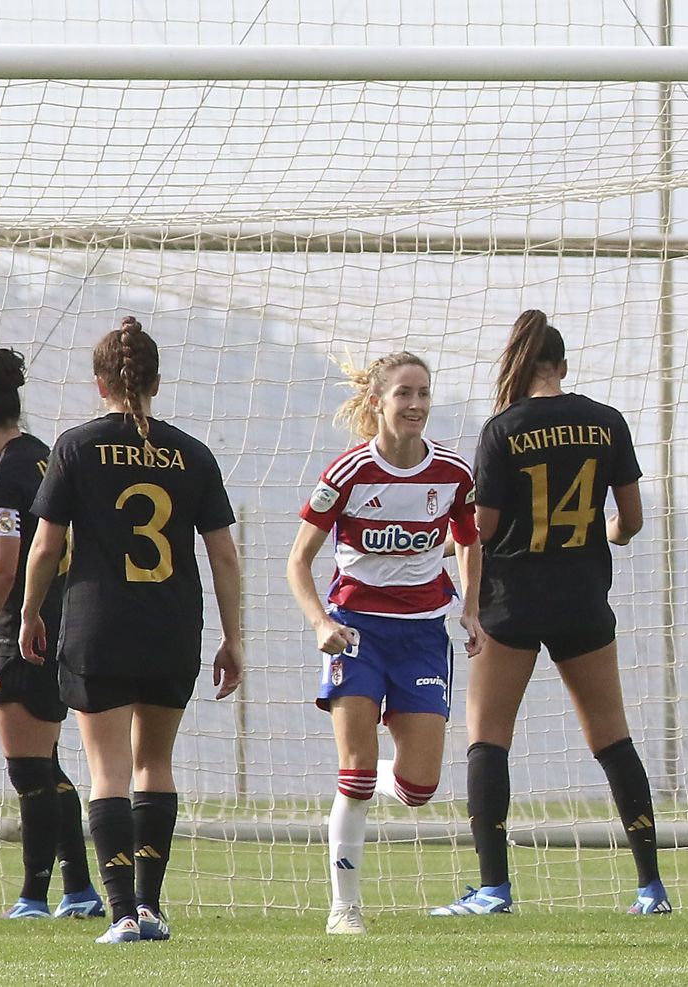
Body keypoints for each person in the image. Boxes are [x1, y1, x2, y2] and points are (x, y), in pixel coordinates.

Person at [431, 310, 667, 917]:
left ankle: (494, 889)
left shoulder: (502, 429)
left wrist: (469, 600)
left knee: (487, 738)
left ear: (520, 366)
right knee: (612, 737)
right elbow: (631, 520)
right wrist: (609, 531)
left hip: (513, 602)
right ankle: (651, 887)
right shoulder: (606, 422)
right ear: (561, 367)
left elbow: (478, 529)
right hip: (583, 599)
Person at [19, 317, 244, 944]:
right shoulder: (192, 452)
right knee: (156, 763)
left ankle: (119, 913)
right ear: (156, 382)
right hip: (173, 625)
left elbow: (44, 547)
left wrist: (33, 610)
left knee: (107, 770)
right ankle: (151, 907)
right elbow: (224, 554)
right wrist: (234, 636)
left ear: (100, 385)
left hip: (99, 625)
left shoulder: (75, 447)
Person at [287, 350, 481, 936]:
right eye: (404, 394)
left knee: (420, 789)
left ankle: (380, 770)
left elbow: (470, 539)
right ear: (378, 402)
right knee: (355, 775)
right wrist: (322, 623)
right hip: (357, 633)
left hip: (423, 636)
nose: (416, 404)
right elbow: (298, 561)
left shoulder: (453, 473)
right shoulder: (346, 473)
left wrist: (469, 609)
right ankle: (344, 909)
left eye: (423, 393)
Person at [0, 344, 102, 920]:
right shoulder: (45, 457)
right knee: (49, 764)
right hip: (67, 626)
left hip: (21, 632)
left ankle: (35, 897)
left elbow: (4, 565)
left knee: (28, 771)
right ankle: (79, 890)